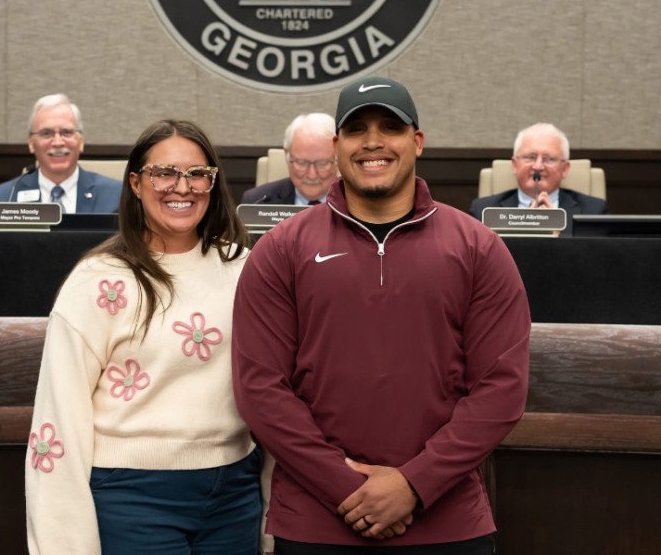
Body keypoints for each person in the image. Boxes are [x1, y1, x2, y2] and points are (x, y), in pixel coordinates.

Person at [231, 77, 531, 554]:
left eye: (390, 127)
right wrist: (346, 488)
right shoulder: (281, 249)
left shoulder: (478, 247)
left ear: (417, 142)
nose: (373, 142)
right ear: (336, 146)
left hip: (447, 520)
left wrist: (413, 485)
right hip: (316, 520)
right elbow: (260, 388)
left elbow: (501, 389)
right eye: (356, 129)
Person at [26, 119, 270, 554]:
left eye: (198, 174)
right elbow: (58, 423)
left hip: (234, 492)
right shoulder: (97, 282)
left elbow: (273, 388)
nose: (183, 187)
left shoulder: (244, 269)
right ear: (136, 183)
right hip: (133, 497)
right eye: (165, 173)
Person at [0, 94, 121, 213]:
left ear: (81, 141)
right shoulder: (5, 197)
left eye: (67, 132)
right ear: (31, 143)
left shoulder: (115, 195)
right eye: (46, 133)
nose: (58, 142)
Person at [469, 122, 607, 235]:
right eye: (530, 157)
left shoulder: (593, 210)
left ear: (565, 169)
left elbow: (597, 262)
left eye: (549, 159)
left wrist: (557, 237)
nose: (538, 166)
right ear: (515, 165)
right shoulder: (483, 210)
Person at [241, 112, 338, 206]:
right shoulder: (256, 202)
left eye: (322, 163)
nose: (311, 175)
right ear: (287, 156)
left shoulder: (352, 204)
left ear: (338, 159)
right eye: (302, 163)